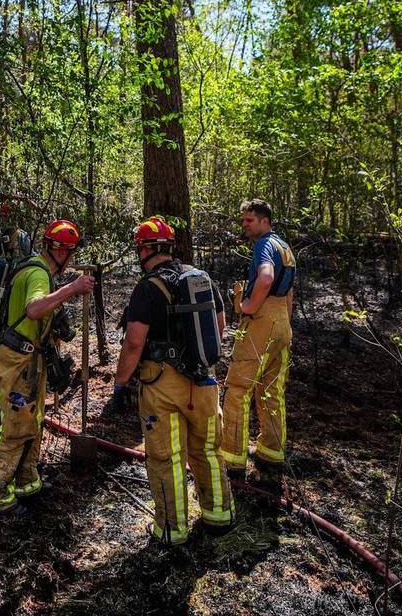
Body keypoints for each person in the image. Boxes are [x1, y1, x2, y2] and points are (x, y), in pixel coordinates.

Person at [114, 217, 234, 545]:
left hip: (162, 384)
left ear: (145, 249)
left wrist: (120, 384)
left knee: (166, 457)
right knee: (208, 449)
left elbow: (134, 342)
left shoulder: (148, 288)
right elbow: (219, 324)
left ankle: (172, 529)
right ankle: (219, 516)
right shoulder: (202, 278)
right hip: (205, 381)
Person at [0, 219, 94, 516]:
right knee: (17, 427)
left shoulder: (35, 268)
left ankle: (27, 482)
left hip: (30, 361)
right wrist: (73, 288)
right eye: (69, 252)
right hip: (16, 362)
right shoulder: (38, 274)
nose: (70, 259)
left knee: (34, 420)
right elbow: (34, 309)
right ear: (60, 252)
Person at [219, 198, 297, 487]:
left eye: (249, 220)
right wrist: (285, 324)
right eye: (243, 220)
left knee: (238, 389)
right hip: (281, 324)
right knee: (271, 390)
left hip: (262, 321)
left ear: (264, 221)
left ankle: (233, 460)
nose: (244, 225)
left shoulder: (265, 245)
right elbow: (289, 293)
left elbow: (266, 277)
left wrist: (249, 306)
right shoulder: (285, 248)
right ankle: (271, 452)